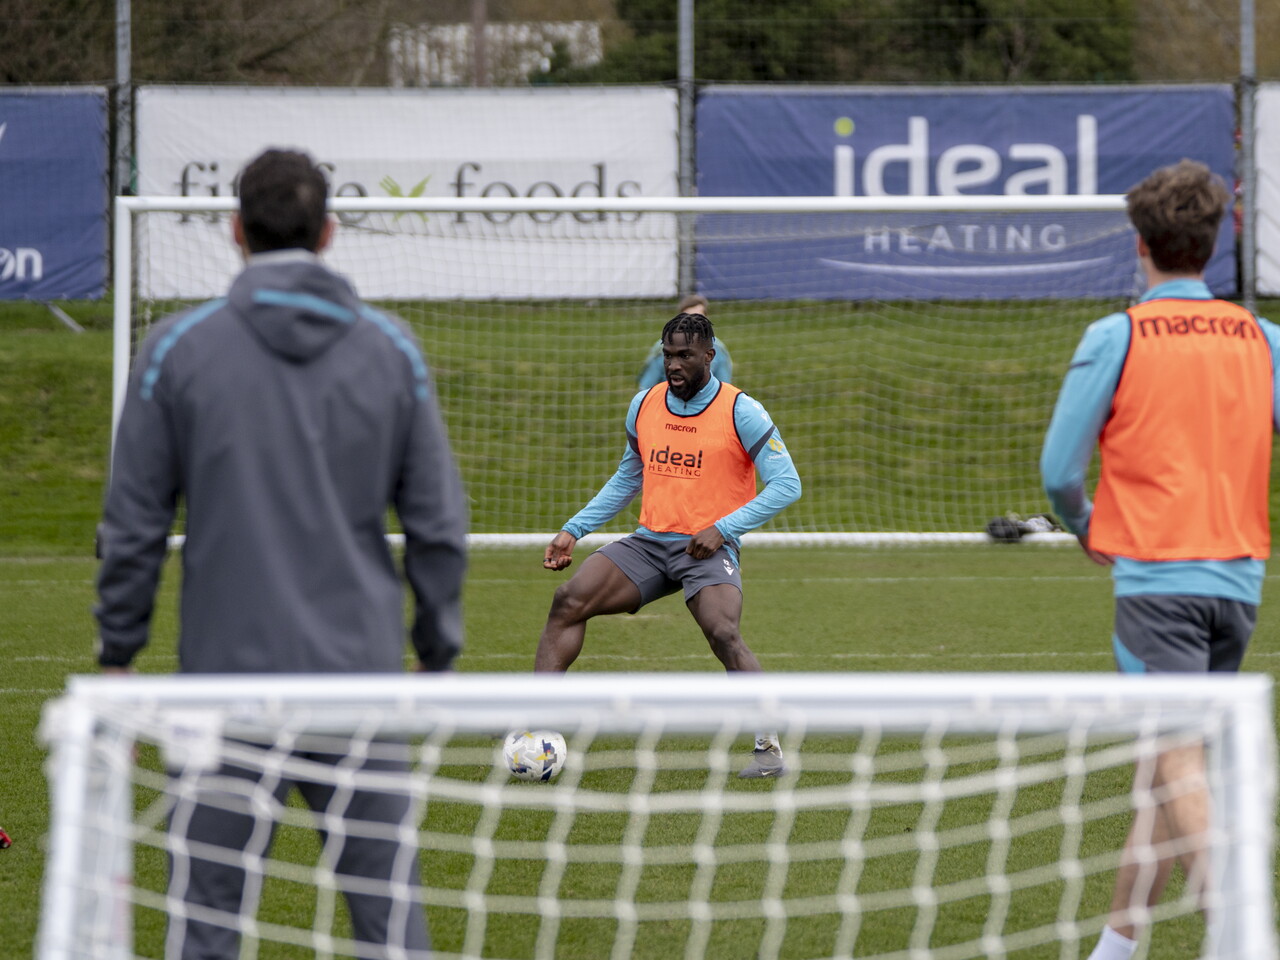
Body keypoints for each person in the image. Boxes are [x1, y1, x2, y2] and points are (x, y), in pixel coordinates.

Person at [95, 148, 468, 959]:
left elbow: (132, 522)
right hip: (360, 681)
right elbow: (438, 523)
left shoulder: (174, 350)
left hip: (226, 685)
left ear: (235, 229)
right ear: (329, 232)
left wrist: (118, 650)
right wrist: (435, 648)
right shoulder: (391, 350)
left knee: (209, 917)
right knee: (387, 912)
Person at [1040, 159, 1280, 960]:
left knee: (1177, 760)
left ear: (1140, 246)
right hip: (1239, 580)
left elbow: (1059, 473)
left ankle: (1242, 933)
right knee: (1165, 764)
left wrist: (1088, 529)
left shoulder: (1120, 334)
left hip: (1156, 581)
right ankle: (1117, 946)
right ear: (1214, 246)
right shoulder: (1263, 338)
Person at [538, 311, 801, 778]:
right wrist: (573, 529)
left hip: (708, 548)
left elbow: (786, 485)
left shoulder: (742, 410)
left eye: (684, 356)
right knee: (568, 600)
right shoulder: (644, 404)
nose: (674, 365)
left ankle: (769, 748)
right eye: (667, 356)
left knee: (723, 633)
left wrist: (722, 529)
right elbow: (628, 477)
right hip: (649, 544)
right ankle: (535, 723)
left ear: (709, 356)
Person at [637, 294, 732, 389]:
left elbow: (724, 387)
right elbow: (646, 387)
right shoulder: (663, 347)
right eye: (687, 318)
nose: (693, 323)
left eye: (699, 318)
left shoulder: (718, 349)